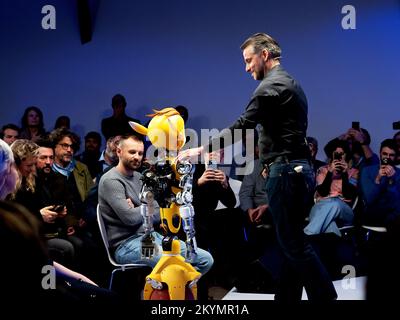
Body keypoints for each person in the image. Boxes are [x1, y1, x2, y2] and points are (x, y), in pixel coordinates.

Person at [179, 33, 337, 301]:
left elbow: (243, 125)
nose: (247, 67)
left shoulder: (269, 88)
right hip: (297, 171)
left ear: (264, 55)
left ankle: (325, 298)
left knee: (293, 245)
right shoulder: (291, 83)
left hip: (286, 174)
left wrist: (202, 149)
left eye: (248, 60)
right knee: (289, 242)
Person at [98, 134, 213, 275]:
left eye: (140, 153)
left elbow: (160, 213)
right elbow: (131, 219)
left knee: (205, 259)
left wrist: (139, 207)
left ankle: (180, 287)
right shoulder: (111, 180)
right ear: (119, 152)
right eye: (132, 152)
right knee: (170, 263)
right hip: (126, 245)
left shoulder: (141, 177)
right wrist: (149, 206)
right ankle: (170, 289)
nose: (137, 157)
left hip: (152, 236)